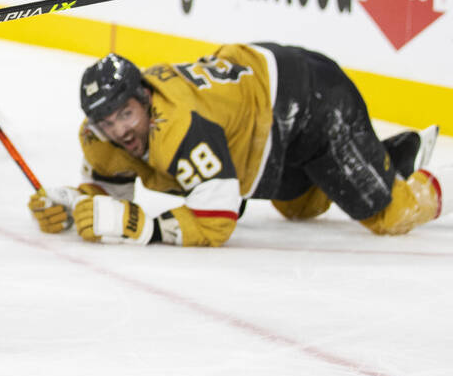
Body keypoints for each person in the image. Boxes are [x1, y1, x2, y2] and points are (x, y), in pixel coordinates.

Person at [28, 47, 444, 246]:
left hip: (312, 102)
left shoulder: (179, 126)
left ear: (146, 98)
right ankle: (386, 157)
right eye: (107, 121)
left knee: (391, 216)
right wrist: (71, 206)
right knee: (300, 206)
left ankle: (424, 182)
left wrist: (146, 228)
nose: (121, 131)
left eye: (126, 114)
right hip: (266, 130)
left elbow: (218, 219)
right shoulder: (100, 138)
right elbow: (111, 196)